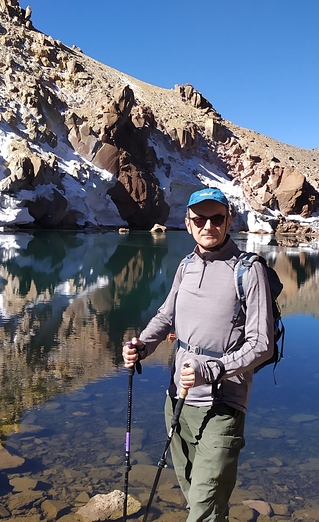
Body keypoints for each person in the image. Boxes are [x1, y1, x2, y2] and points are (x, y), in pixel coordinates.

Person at [122, 187, 274, 522]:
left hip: (222, 409)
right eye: (199, 219)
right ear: (188, 223)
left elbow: (262, 344)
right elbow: (166, 316)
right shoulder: (187, 264)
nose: (208, 226)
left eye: (216, 218)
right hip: (176, 402)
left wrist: (213, 370)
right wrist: (142, 347)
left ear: (229, 221)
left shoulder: (249, 271)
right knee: (197, 499)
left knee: (203, 507)